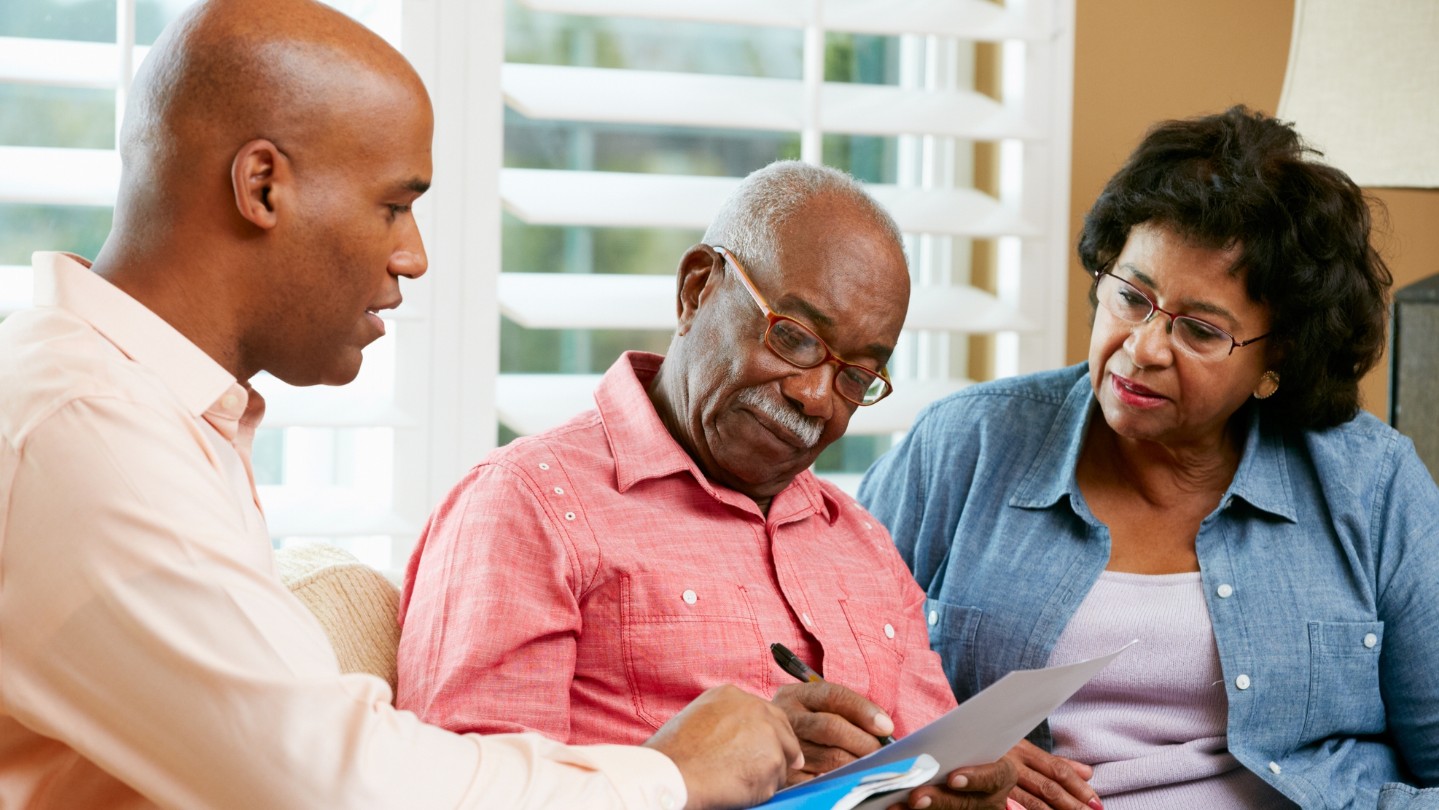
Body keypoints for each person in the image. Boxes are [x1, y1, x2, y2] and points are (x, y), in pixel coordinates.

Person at [0, 1, 805, 808]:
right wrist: (667, 776)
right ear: (262, 185)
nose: (412, 256)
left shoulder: (140, 407)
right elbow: (330, 783)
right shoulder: (84, 426)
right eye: (392, 205)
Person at [396, 161, 1027, 810]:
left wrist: (958, 793)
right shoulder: (525, 506)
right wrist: (696, 774)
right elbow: (463, 795)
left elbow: (933, 766)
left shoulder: (864, 545)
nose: (814, 397)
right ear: (696, 290)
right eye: (794, 338)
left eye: (855, 378)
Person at [859, 105, 1439, 809]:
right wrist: (935, 747)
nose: (1142, 348)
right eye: (1131, 297)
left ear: (1277, 358)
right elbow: (832, 675)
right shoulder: (965, 445)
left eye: (1198, 330)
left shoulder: (1370, 486)